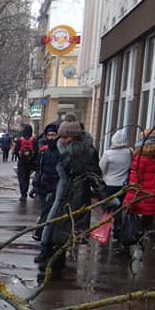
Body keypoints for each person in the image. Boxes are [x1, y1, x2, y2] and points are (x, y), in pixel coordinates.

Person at [36, 120, 101, 282]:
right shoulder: (61, 148)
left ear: (74, 137)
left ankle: (52, 269)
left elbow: (95, 176)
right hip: (58, 194)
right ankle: (49, 265)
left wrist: (107, 199)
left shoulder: (87, 152)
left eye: (65, 137)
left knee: (61, 235)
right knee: (50, 230)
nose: (61, 140)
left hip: (75, 197)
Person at [123, 131, 155, 262]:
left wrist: (128, 202)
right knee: (148, 223)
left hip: (140, 198)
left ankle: (138, 247)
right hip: (153, 197)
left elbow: (133, 183)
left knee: (136, 224)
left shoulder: (140, 159)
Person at [98, 128, 133, 241]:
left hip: (109, 185)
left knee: (108, 209)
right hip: (123, 186)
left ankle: (104, 231)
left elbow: (101, 170)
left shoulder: (108, 154)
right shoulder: (130, 153)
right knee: (119, 210)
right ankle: (117, 232)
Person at [31, 124, 60, 241]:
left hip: (56, 185)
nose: (51, 137)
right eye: (49, 135)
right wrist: (35, 184)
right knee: (44, 210)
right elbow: (38, 168)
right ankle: (42, 233)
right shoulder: (43, 151)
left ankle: (45, 233)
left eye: (53, 135)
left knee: (50, 210)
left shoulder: (61, 150)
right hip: (44, 184)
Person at [14, 124, 37, 201]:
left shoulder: (20, 140)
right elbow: (37, 151)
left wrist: (19, 157)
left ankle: (23, 194)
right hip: (30, 162)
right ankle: (26, 191)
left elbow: (15, 151)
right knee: (27, 178)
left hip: (22, 162)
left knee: (22, 178)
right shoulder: (34, 140)